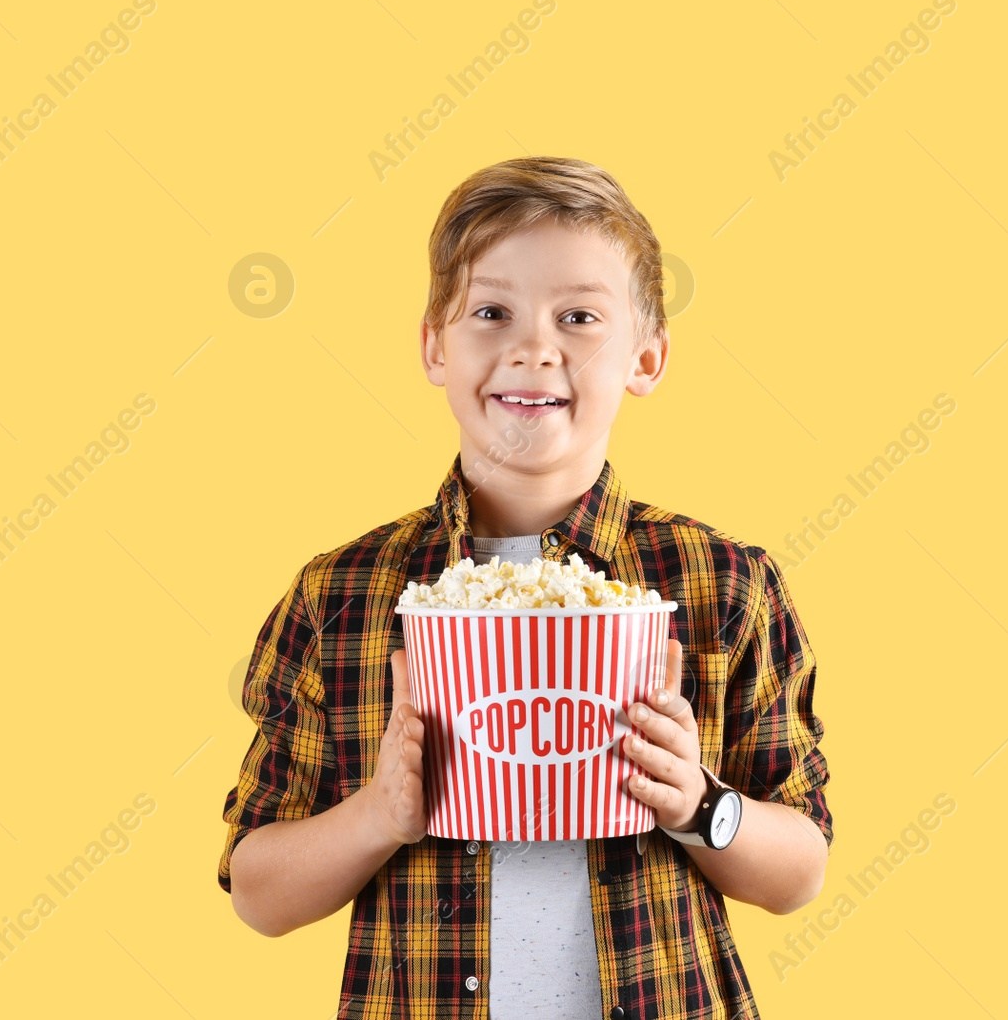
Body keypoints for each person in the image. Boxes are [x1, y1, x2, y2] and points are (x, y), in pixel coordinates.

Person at [218, 156, 832, 1019]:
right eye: (491, 311)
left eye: (578, 316)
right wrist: (377, 813)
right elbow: (257, 890)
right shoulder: (344, 596)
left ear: (646, 356)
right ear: (436, 344)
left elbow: (799, 869)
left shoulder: (721, 584)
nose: (532, 347)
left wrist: (698, 801)